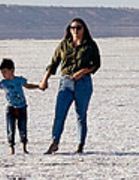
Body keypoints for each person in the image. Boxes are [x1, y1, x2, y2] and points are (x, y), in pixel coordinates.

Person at [41, 16, 100, 154]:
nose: (75, 30)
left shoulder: (90, 45)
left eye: (78, 28)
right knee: (59, 114)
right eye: (72, 28)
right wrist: (45, 79)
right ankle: (54, 142)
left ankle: (80, 145)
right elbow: (54, 62)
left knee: (81, 115)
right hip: (66, 83)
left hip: (83, 83)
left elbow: (96, 63)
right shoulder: (64, 44)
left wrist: (84, 71)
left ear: (84, 29)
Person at [0, 59, 32, 155]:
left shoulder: (19, 80)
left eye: (5, 72)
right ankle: (11, 147)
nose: (3, 74)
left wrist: (39, 86)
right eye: (2, 72)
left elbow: (28, 86)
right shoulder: (3, 83)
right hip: (10, 108)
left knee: (22, 127)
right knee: (10, 128)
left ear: (12, 70)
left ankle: (24, 146)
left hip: (22, 107)